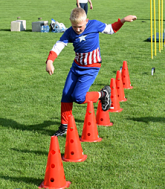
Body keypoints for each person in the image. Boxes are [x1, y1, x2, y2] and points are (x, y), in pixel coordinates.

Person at [46, 8, 136, 137]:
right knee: (66, 94)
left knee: (78, 97)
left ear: (86, 21)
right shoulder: (70, 32)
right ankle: (64, 126)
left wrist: (123, 20)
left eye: (80, 27)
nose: (77, 29)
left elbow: (110, 29)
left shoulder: (94, 24)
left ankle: (103, 94)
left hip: (91, 68)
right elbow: (59, 45)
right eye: (74, 26)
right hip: (76, 67)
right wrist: (50, 61)